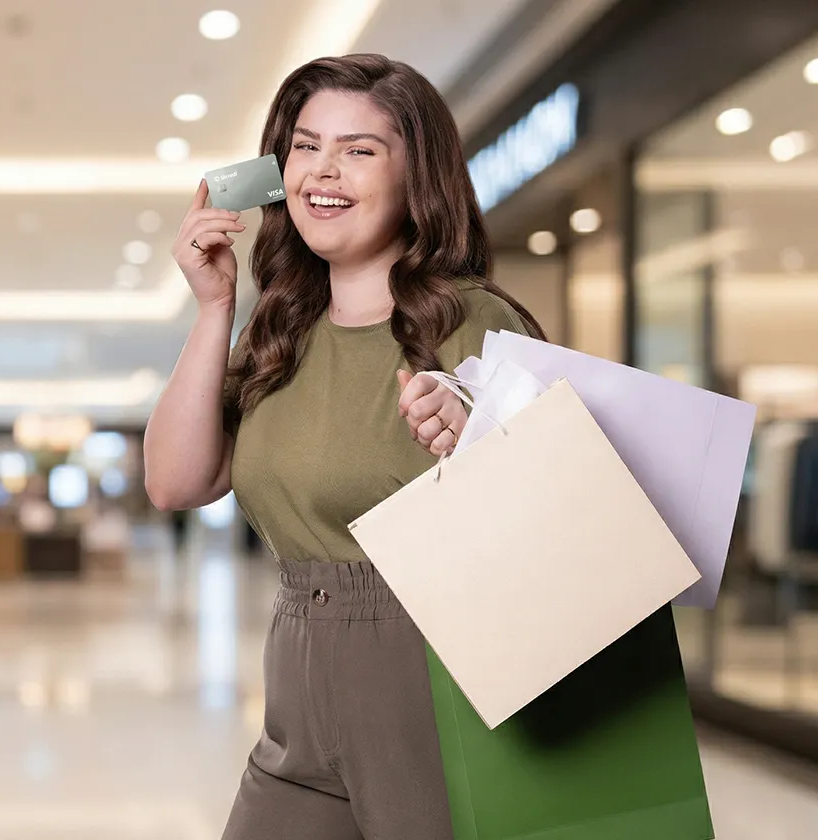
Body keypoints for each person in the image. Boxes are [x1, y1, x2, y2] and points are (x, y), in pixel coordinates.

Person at [143, 54, 545, 839]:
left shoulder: (473, 322)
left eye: (360, 151)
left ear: (415, 178)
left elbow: (558, 523)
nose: (322, 171)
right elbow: (173, 483)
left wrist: (480, 447)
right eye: (304, 145)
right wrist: (213, 306)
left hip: (434, 675)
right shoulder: (280, 335)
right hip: (298, 674)